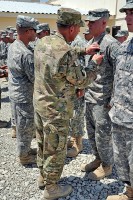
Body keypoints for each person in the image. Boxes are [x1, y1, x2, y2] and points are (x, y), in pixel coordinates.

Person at [34, 7, 103, 200]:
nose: (80, 32)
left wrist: (83, 50)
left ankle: (43, 176)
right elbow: (82, 80)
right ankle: (52, 187)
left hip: (40, 104)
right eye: (79, 29)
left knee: (42, 143)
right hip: (56, 110)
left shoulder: (44, 41)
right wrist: (94, 63)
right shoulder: (64, 52)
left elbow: (63, 53)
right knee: (56, 148)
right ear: (72, 28)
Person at [81, 8, 120, 180]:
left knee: (103, 135)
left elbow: (121, 74)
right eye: (87, 21)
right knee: (92, 132)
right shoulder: (93, 42)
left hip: (103, 100)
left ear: (104, 23)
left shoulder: (111, 44)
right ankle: (98, 158)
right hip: (90, 97)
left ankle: (107, 165)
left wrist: (113, 99)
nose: (88, 24)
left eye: (92, 21)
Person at [106, 0, 133, 199]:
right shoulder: (126, 46)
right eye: (127, 12)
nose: (129, 17)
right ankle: (129, 192)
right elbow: (118, 77)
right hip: (120, 116)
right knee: (122, 160)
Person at [7, 15, 38, 165]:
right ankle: (24, 157)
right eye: (34, 30)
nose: (36, 33)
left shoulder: (14, 46)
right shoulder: (25, 54)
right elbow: (35, 78)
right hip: (25, 96)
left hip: (16, 94)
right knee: (25, 126)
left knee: (22, 126)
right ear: (27, 31)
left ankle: (25, 149)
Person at [67, 34, 87, 158]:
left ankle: (78, 143)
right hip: (69, 85)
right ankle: (73, 138)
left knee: (77, 114)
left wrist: (81, 86)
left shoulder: (77, 41)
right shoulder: (68, 39)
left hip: (76, 86)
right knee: (71, 114)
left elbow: (80, 65)